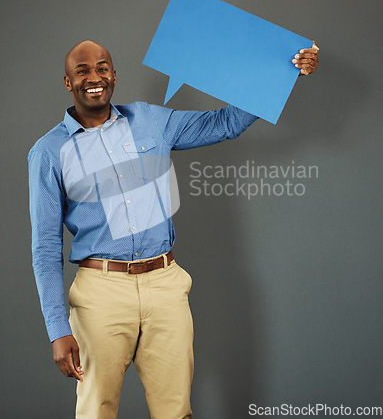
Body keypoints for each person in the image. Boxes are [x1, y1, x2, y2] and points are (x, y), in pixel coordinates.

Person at [28, 40, 319, 418]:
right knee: (96, 410)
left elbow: (225, 123)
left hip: (165, 286)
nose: (94, 77)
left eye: (102, 68)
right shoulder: (49, 152)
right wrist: (56, 329)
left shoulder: (150, 120)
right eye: (82, 71)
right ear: (68, 82)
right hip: (100, 294)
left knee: (176, 410)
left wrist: (286, 73)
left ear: (114, 75)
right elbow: (45, 247)